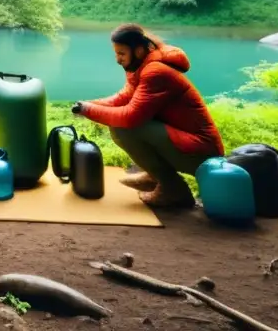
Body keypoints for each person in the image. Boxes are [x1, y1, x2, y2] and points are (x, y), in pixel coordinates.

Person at [71, 23, 224, 209]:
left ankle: (172, 189)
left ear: (138, 50)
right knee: (126, 124)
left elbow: (130, 116)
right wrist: (87, 105)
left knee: (123, 128)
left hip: (201, 152)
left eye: (121, 54)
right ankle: (155, 176)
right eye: (116, 54)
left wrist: (88, 110)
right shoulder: (141, 67)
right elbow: (123, 98)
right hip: (185, 142)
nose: (118, 60)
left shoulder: (156, 72)